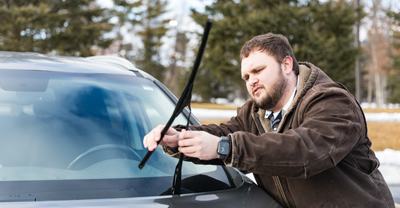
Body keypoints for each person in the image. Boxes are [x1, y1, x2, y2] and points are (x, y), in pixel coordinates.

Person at [143, 33, 395, 208]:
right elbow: (222, 133)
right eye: (245, 76)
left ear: (286, 65)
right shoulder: (254, 113)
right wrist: (178, 137)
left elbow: (305, 151)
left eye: (258, 71)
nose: (250, 80)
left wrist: (224, 147)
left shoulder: (333, 102)